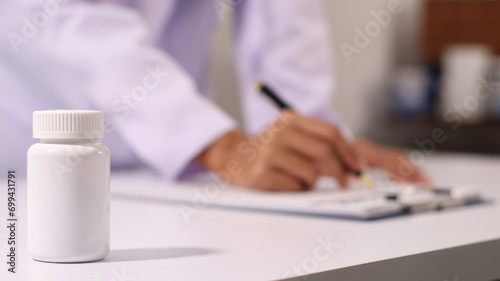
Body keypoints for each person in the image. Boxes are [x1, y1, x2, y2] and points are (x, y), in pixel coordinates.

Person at [1, 0, 427, 191]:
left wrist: (314, 139)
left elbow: (283, 22)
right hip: (33, 153)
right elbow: (70, 17)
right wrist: (220, 145)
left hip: (176, 172)